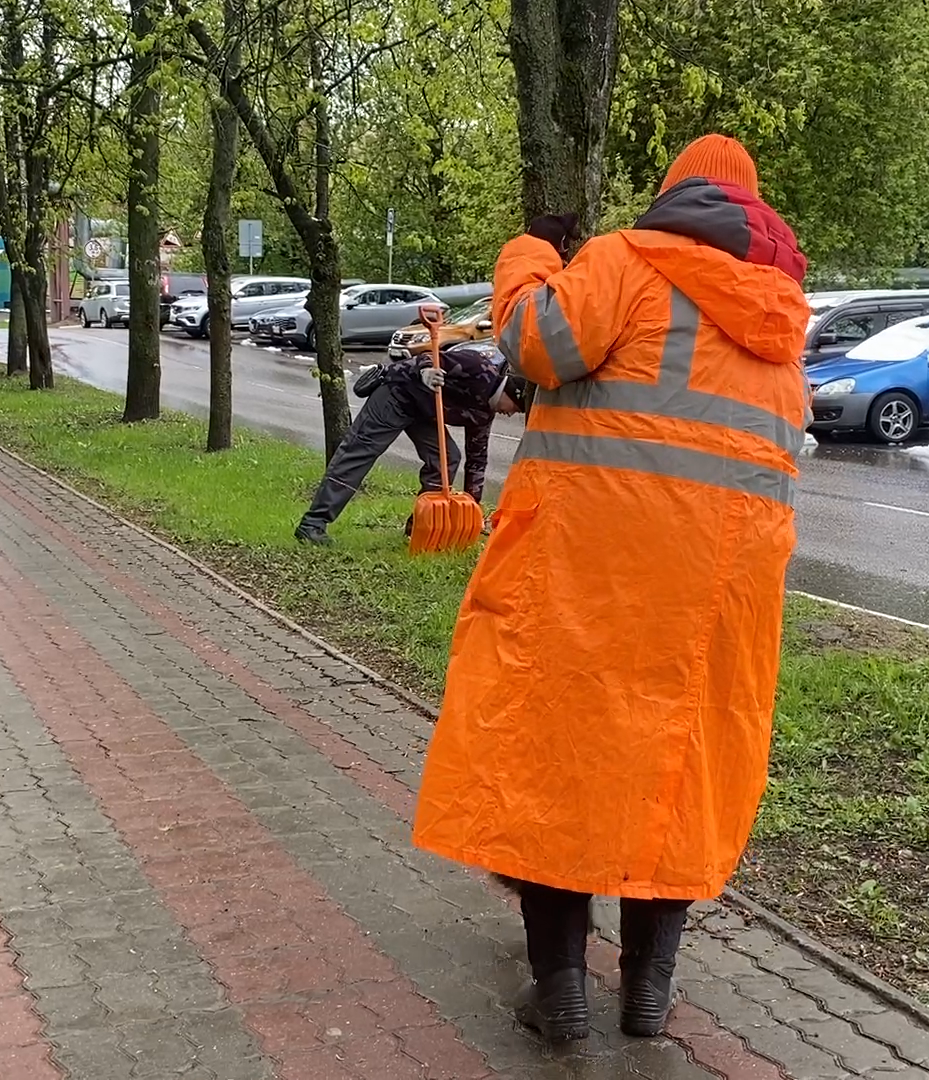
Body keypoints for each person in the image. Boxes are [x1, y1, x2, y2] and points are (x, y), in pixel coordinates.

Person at [410, 134, 812, 1043]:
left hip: (590, 568)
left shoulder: (627, 260)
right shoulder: (782, 321)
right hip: (722, 594)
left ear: (677, 196)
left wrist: (529, 251)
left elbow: (534, 342)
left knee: (560, 756)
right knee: (679, 767)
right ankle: (647, 989)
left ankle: (560, 989)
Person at [294, 338, 530, 546]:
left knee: (447, 458)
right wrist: (426, 371)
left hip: (423, 412)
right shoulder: (478, 367)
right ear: (511, 393)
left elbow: (477, 461)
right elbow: (430, 357)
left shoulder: (483, 415)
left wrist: (473, 508)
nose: (511, 414)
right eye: (515, 408)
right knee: (360, 452)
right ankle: (313, 523)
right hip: (398, 394)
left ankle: (420, 528)